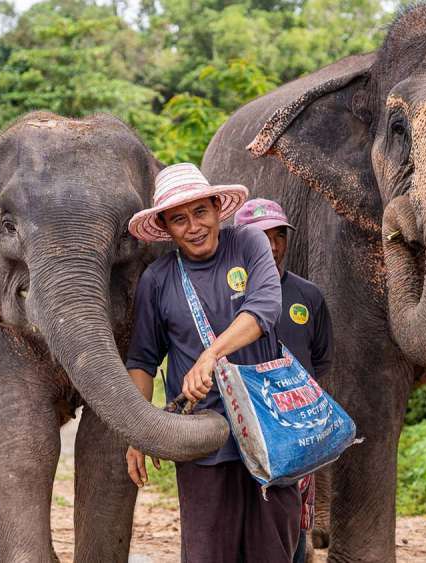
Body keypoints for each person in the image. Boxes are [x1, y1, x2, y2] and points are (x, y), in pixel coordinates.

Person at [124, 163, 301, 561]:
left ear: (218, 208)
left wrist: (209, 356)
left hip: (271, 432)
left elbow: (265, 306)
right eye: (179, 220)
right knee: (208, 553)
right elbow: (142, 360)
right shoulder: (159, 278)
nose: (194, 227)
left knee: (273, 551)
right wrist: (138, 431)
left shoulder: (249, 244)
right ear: (166, 228)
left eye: (201, 212)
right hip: (205, 440)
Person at [235, 198, 333, 563]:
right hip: (242, 432)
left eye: (279, 236)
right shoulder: (227, 295)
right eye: (262, 238)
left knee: (292, 527)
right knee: (244, 525)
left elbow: (320, 360)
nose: (273, 247)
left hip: (294, 433)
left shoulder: (309, 295)